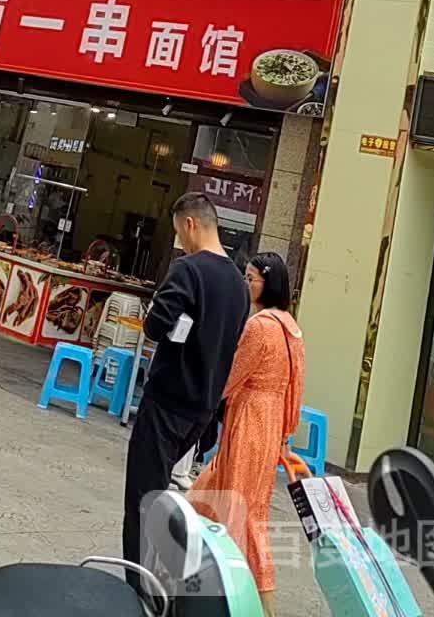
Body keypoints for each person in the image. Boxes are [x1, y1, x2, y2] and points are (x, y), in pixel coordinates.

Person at [122, 193, 249, 583]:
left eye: (179, 232)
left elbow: (156, 326)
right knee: (164, 493)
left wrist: (157, 312)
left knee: (143, 497)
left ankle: (141, 587)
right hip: (201, 411)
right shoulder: (239, 285)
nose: (181, 241)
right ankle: (163, 573)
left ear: (191, 224)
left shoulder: (187, 270)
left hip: (167, 400)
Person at [188, 252, 305, 617]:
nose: (246, 283)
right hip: (270, 424)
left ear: (268, 283)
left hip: (249, 420)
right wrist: (285, 433)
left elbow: (231, 377)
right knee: (219, 497)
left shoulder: (260, 327)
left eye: (251, 278)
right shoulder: (291, 327)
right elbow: (295, 386)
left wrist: (199, 395)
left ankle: (256, 601)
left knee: (243, 512)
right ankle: (200, 581)